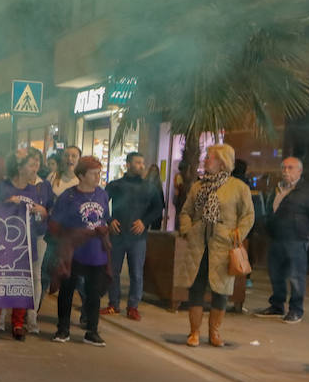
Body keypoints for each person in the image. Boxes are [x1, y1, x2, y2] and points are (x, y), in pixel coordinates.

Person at [175, 144, 255, 348]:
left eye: (209, 157)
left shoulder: (239, 188)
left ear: (221, 161)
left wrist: (235, 234)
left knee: (221, 291)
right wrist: (187, 229)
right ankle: (194, 332)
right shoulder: (198, 186)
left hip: (223, 246)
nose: (205, 160)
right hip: (198, 245)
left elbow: (248, 216)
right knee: (196, 288)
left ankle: (214, 333)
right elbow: (186, 211)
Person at [49, 156, 111, 346]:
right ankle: (63, 328)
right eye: (93, 173)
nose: (97, 177)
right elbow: (55, 223)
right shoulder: (68, 196)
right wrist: (67, 239)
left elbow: (105, 218)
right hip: (74, 251)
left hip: (96, 251)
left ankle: (92, 330)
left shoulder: (102, 195)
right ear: (82, 175)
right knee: (67, 290)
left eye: (99, 173)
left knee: (93, 293)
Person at [254, 156, 309, 324]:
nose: (286, 171)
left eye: (290, 168)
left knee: (295, 275)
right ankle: (277, 305)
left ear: (300, 171)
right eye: (284, 168)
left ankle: (296, 309)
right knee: (276, 273)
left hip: (297, 238)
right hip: (276, 237)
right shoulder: (277, 189)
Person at [0, 148, 51, 339]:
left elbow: (44, 216)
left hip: (27, 242)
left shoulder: (36, 189)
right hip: (3, 242)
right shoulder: (3, 187)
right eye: (31, 164)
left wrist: (42, 211)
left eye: (36, 164)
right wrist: (7, 202)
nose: (36, 168)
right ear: (19, 166)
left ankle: (18, 323)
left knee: (22, 284)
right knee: (0, 282)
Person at [102, 152, 163, 321]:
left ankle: (133, 306)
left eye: (143, 163)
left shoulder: (149, 187)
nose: (142, 166)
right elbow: (101, 204)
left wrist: (145, 222)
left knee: (136, 273)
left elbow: (158, 208)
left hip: (138, 238)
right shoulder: (115, 185)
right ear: (128, 164)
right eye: (138, 162)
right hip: (117, 235)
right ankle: (113, 304)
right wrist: (109, 220)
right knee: (113, 271)